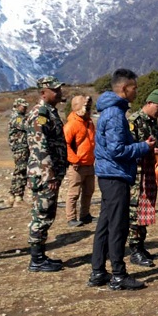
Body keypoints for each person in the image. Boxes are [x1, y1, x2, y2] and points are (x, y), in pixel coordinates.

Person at [89, 69, 155, 291]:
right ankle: (118, 274)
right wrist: (144, 147)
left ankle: (98, 271)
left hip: (109, 174)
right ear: (124, 88)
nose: (136, 91)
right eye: (134, 87)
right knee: (118, 225)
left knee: (105, 224)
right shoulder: (115, 114)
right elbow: (117, 149)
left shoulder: (110, 111)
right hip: (115, 174)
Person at [25, 76, 69, 272]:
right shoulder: (40, 114)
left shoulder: (50, 112)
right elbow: (39, 147)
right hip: (44, 174)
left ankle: (40, 255)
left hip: (50, 173)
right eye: (55, 90)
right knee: (42, 214)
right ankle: (36, 259)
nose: (59, 92)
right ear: (43, 93)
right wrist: (50, 175)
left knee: (47, 214)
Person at [128, 88, 158, 268]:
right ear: (149, 103)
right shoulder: (134, 121)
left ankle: (141, 245)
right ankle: (134, 250)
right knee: (136, 213)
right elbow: (129, 148)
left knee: (146, 211)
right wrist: (148, 150)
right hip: (137, 174)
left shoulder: (152, 121)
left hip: (150, 170)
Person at [63, 95, 96, 227]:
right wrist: (74, 159)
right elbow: (65, 144)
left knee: (89, 191)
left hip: (89, 163)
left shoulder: (89, 123)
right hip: (77, 165)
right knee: (74, 192)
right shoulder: (71, 125)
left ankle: (85, 215)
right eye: (86, 107)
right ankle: (71, 217)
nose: (88, 110)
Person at [7, 98, 30, 207]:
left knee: (18, 171)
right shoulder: (17, 118)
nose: (25, 107)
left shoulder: (21, 117)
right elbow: (27, 126)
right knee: (22, 171)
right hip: (20, 148)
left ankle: (12, 196)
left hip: (22, 148)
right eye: (22, 105)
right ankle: (18, 197)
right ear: (16, 105)